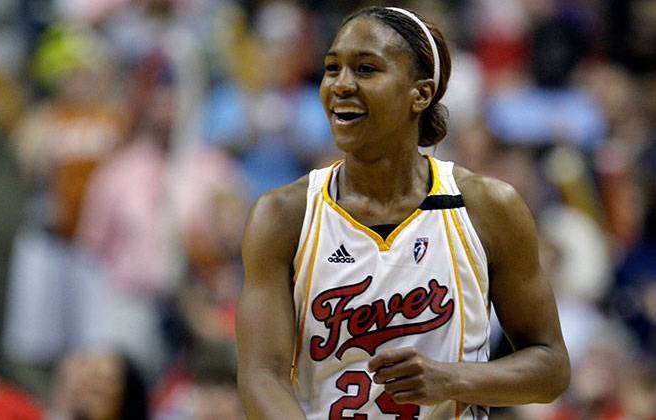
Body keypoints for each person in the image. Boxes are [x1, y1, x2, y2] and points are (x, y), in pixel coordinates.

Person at [236, 6, 570, 420]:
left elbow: (551, 366)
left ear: (421, 93)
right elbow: (259, 375)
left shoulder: (488, 207)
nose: (341, 85)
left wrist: (453, 379)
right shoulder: (283, 216)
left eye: (366, 69)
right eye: (332, 68)